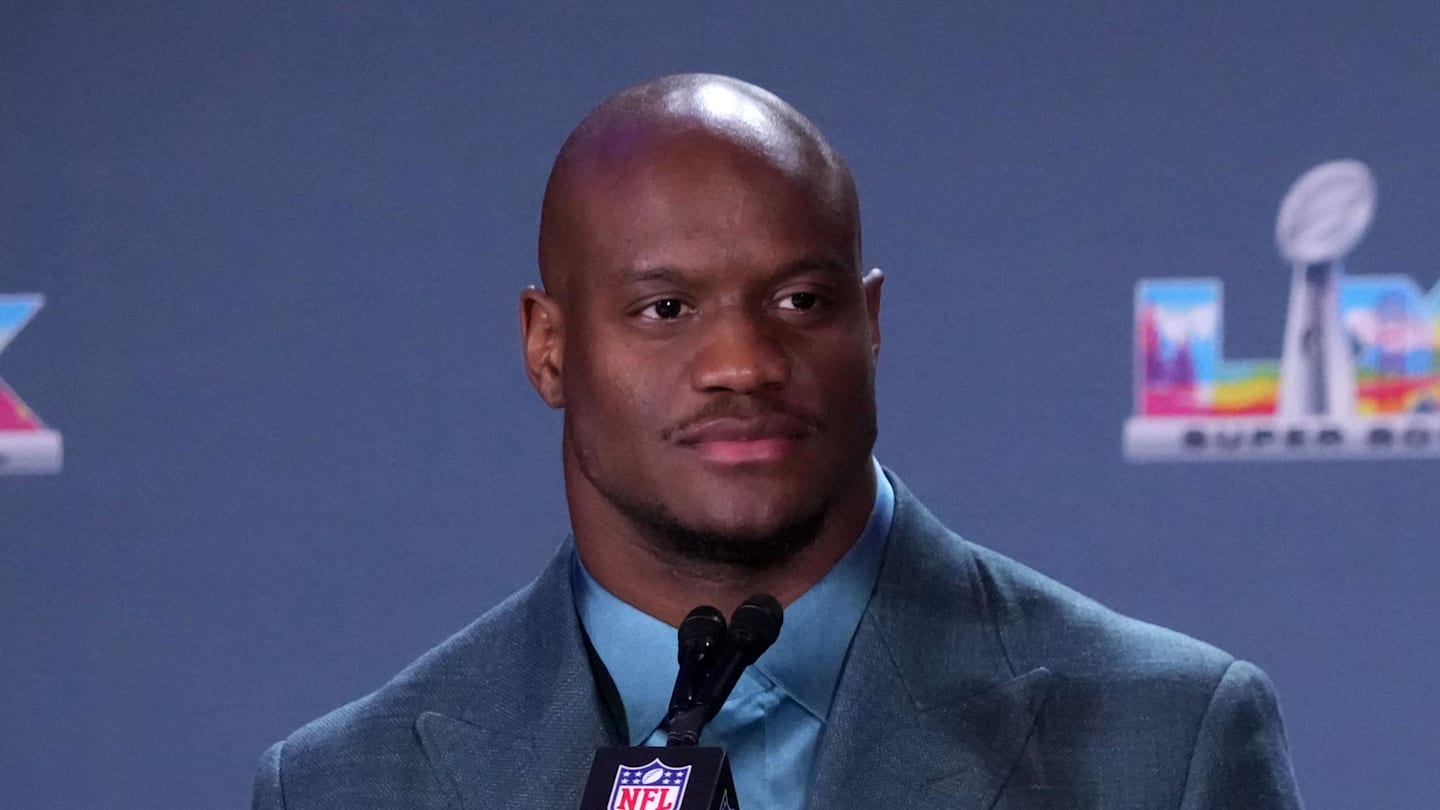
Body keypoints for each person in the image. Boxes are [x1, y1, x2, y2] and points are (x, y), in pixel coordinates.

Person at [252, 74, 1303, 809]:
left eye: (801, 300)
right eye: (666, 309)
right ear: (548, 347)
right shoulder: (345, 786)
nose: (744, 363)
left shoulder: (1166, 742)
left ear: (870, 324)